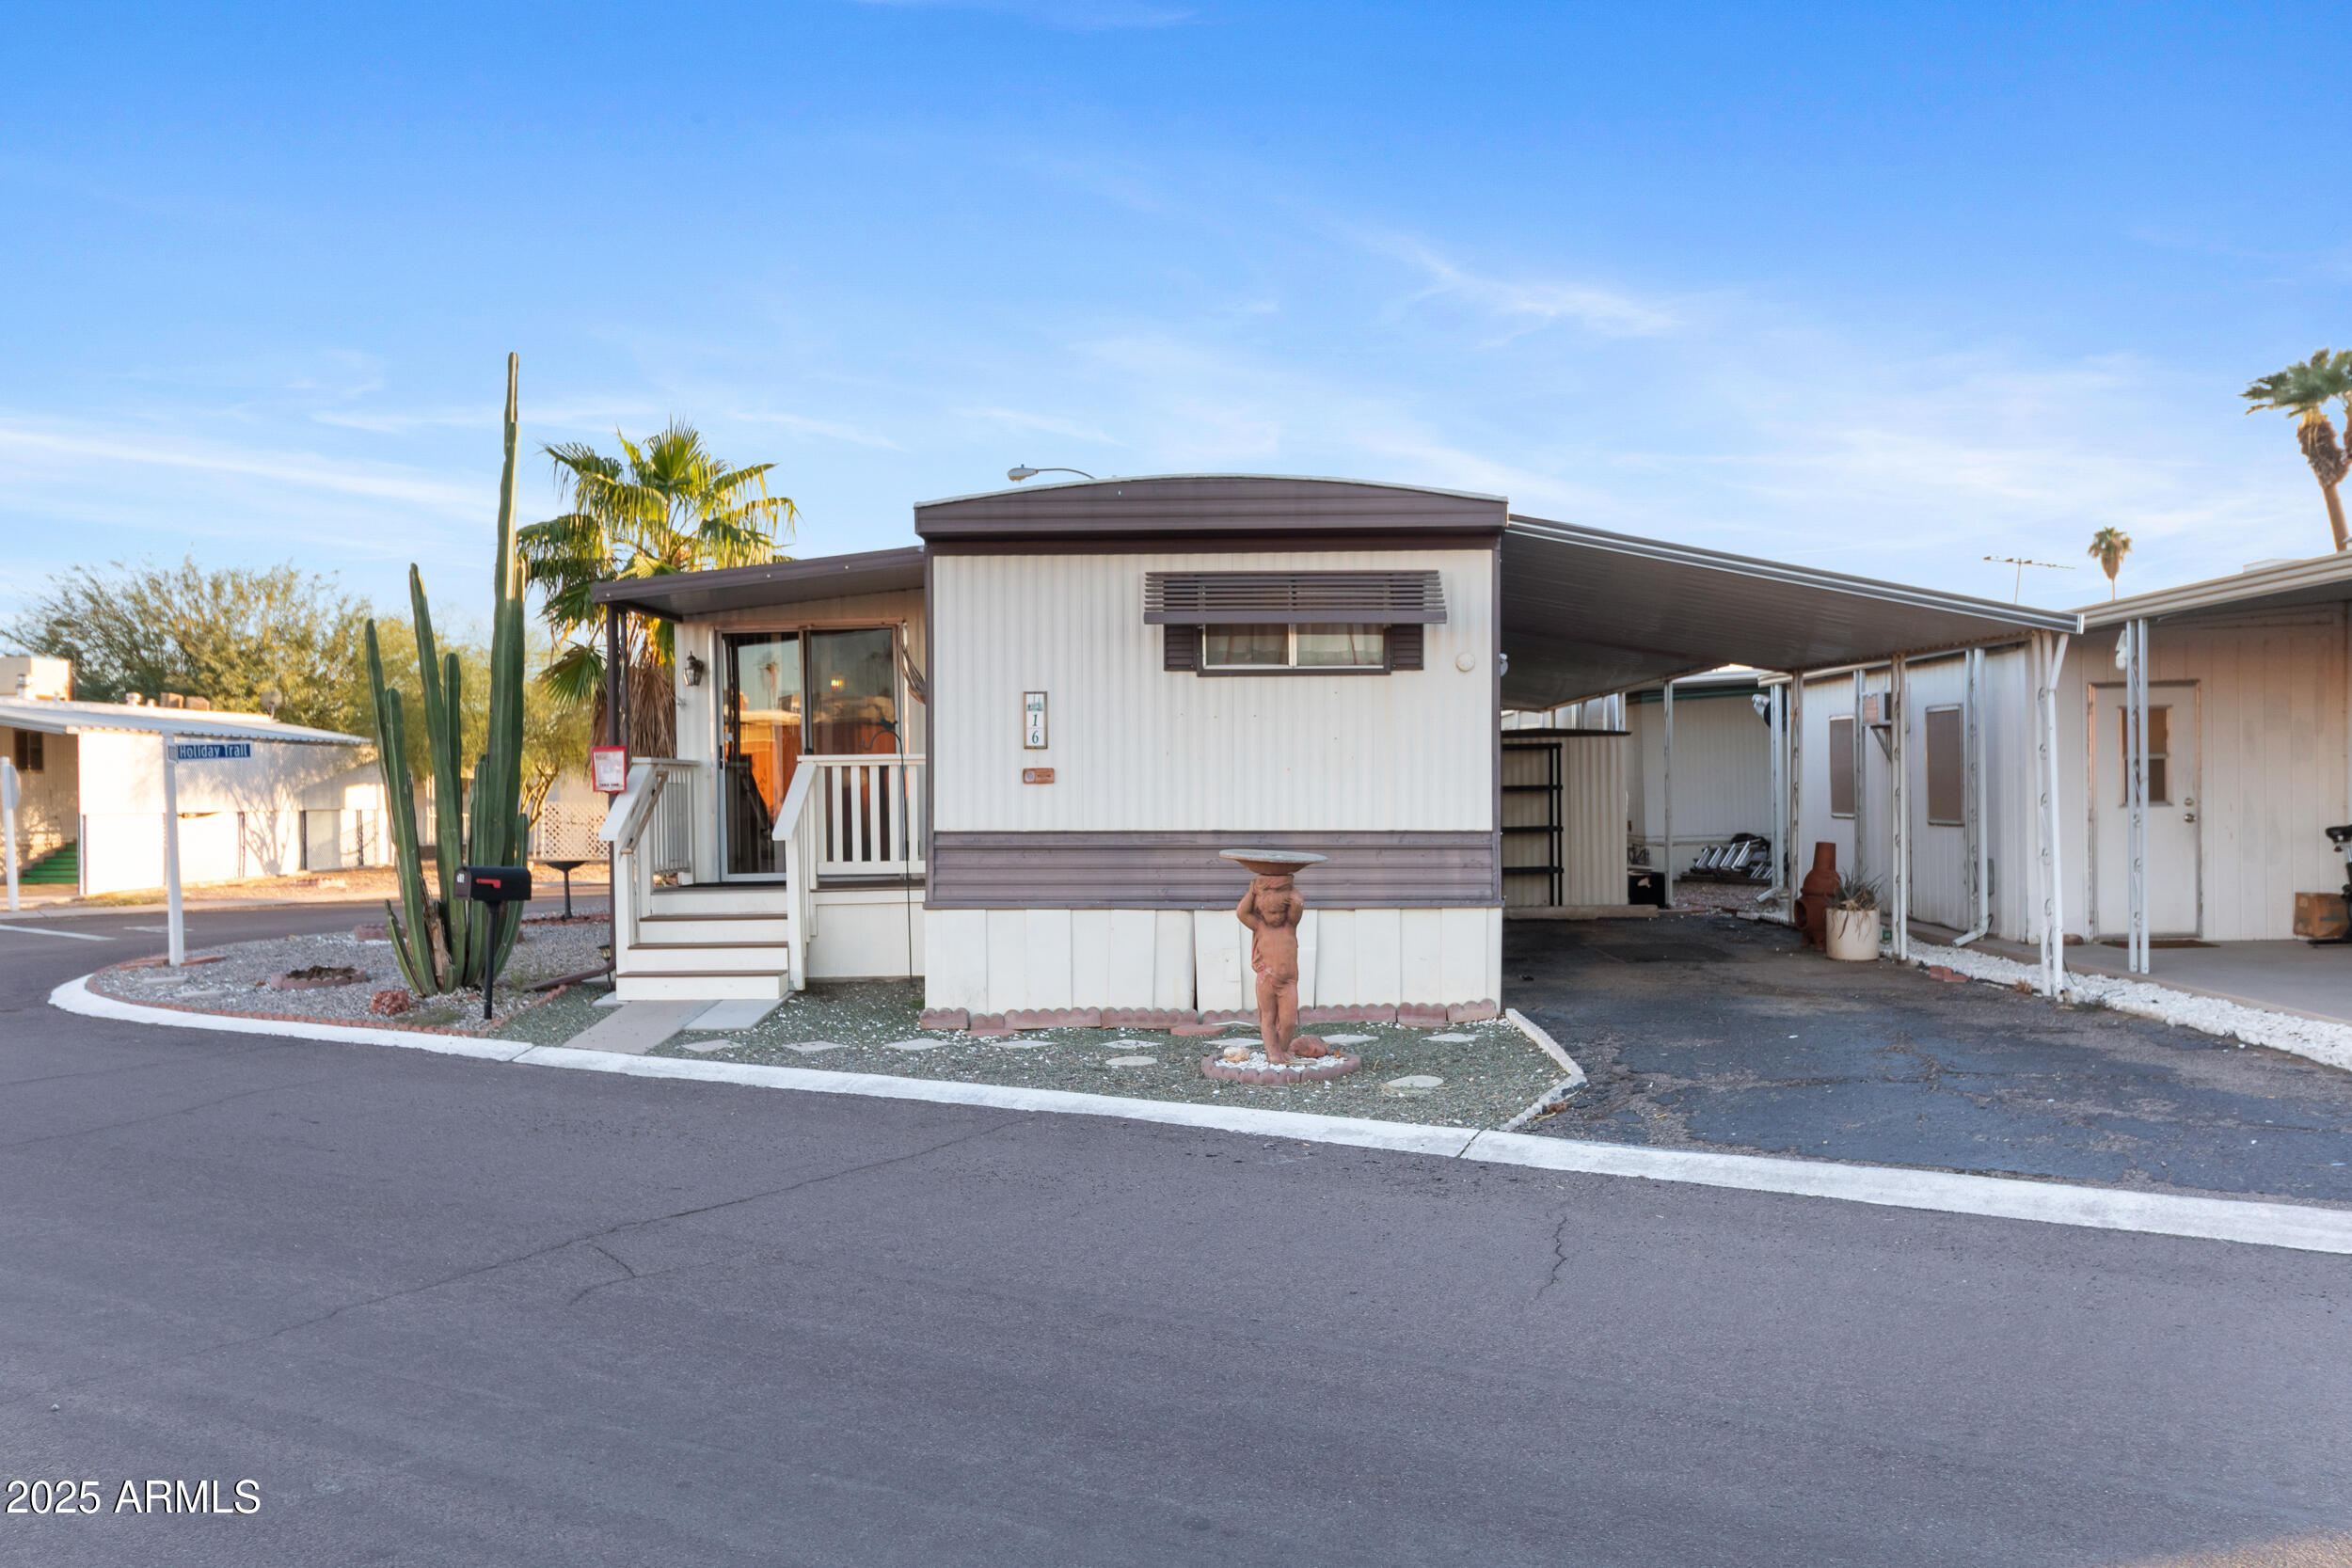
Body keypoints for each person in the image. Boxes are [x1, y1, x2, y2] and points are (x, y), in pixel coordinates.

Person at [1234, 872, 1306, 1063]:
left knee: (1289, 1021)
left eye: (1280, 913)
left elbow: (1298, 903)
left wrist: (1287, 887)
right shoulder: (1260, 926)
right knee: (1267, 1017)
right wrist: (1252, 891)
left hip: (1289, 981)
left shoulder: (1290, 925)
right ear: (1261, 912)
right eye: (1271, 913)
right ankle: (1273, 1053)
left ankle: (1282, 1050)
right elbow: (1241, 912)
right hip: (1267, 979)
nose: (1276, 917)